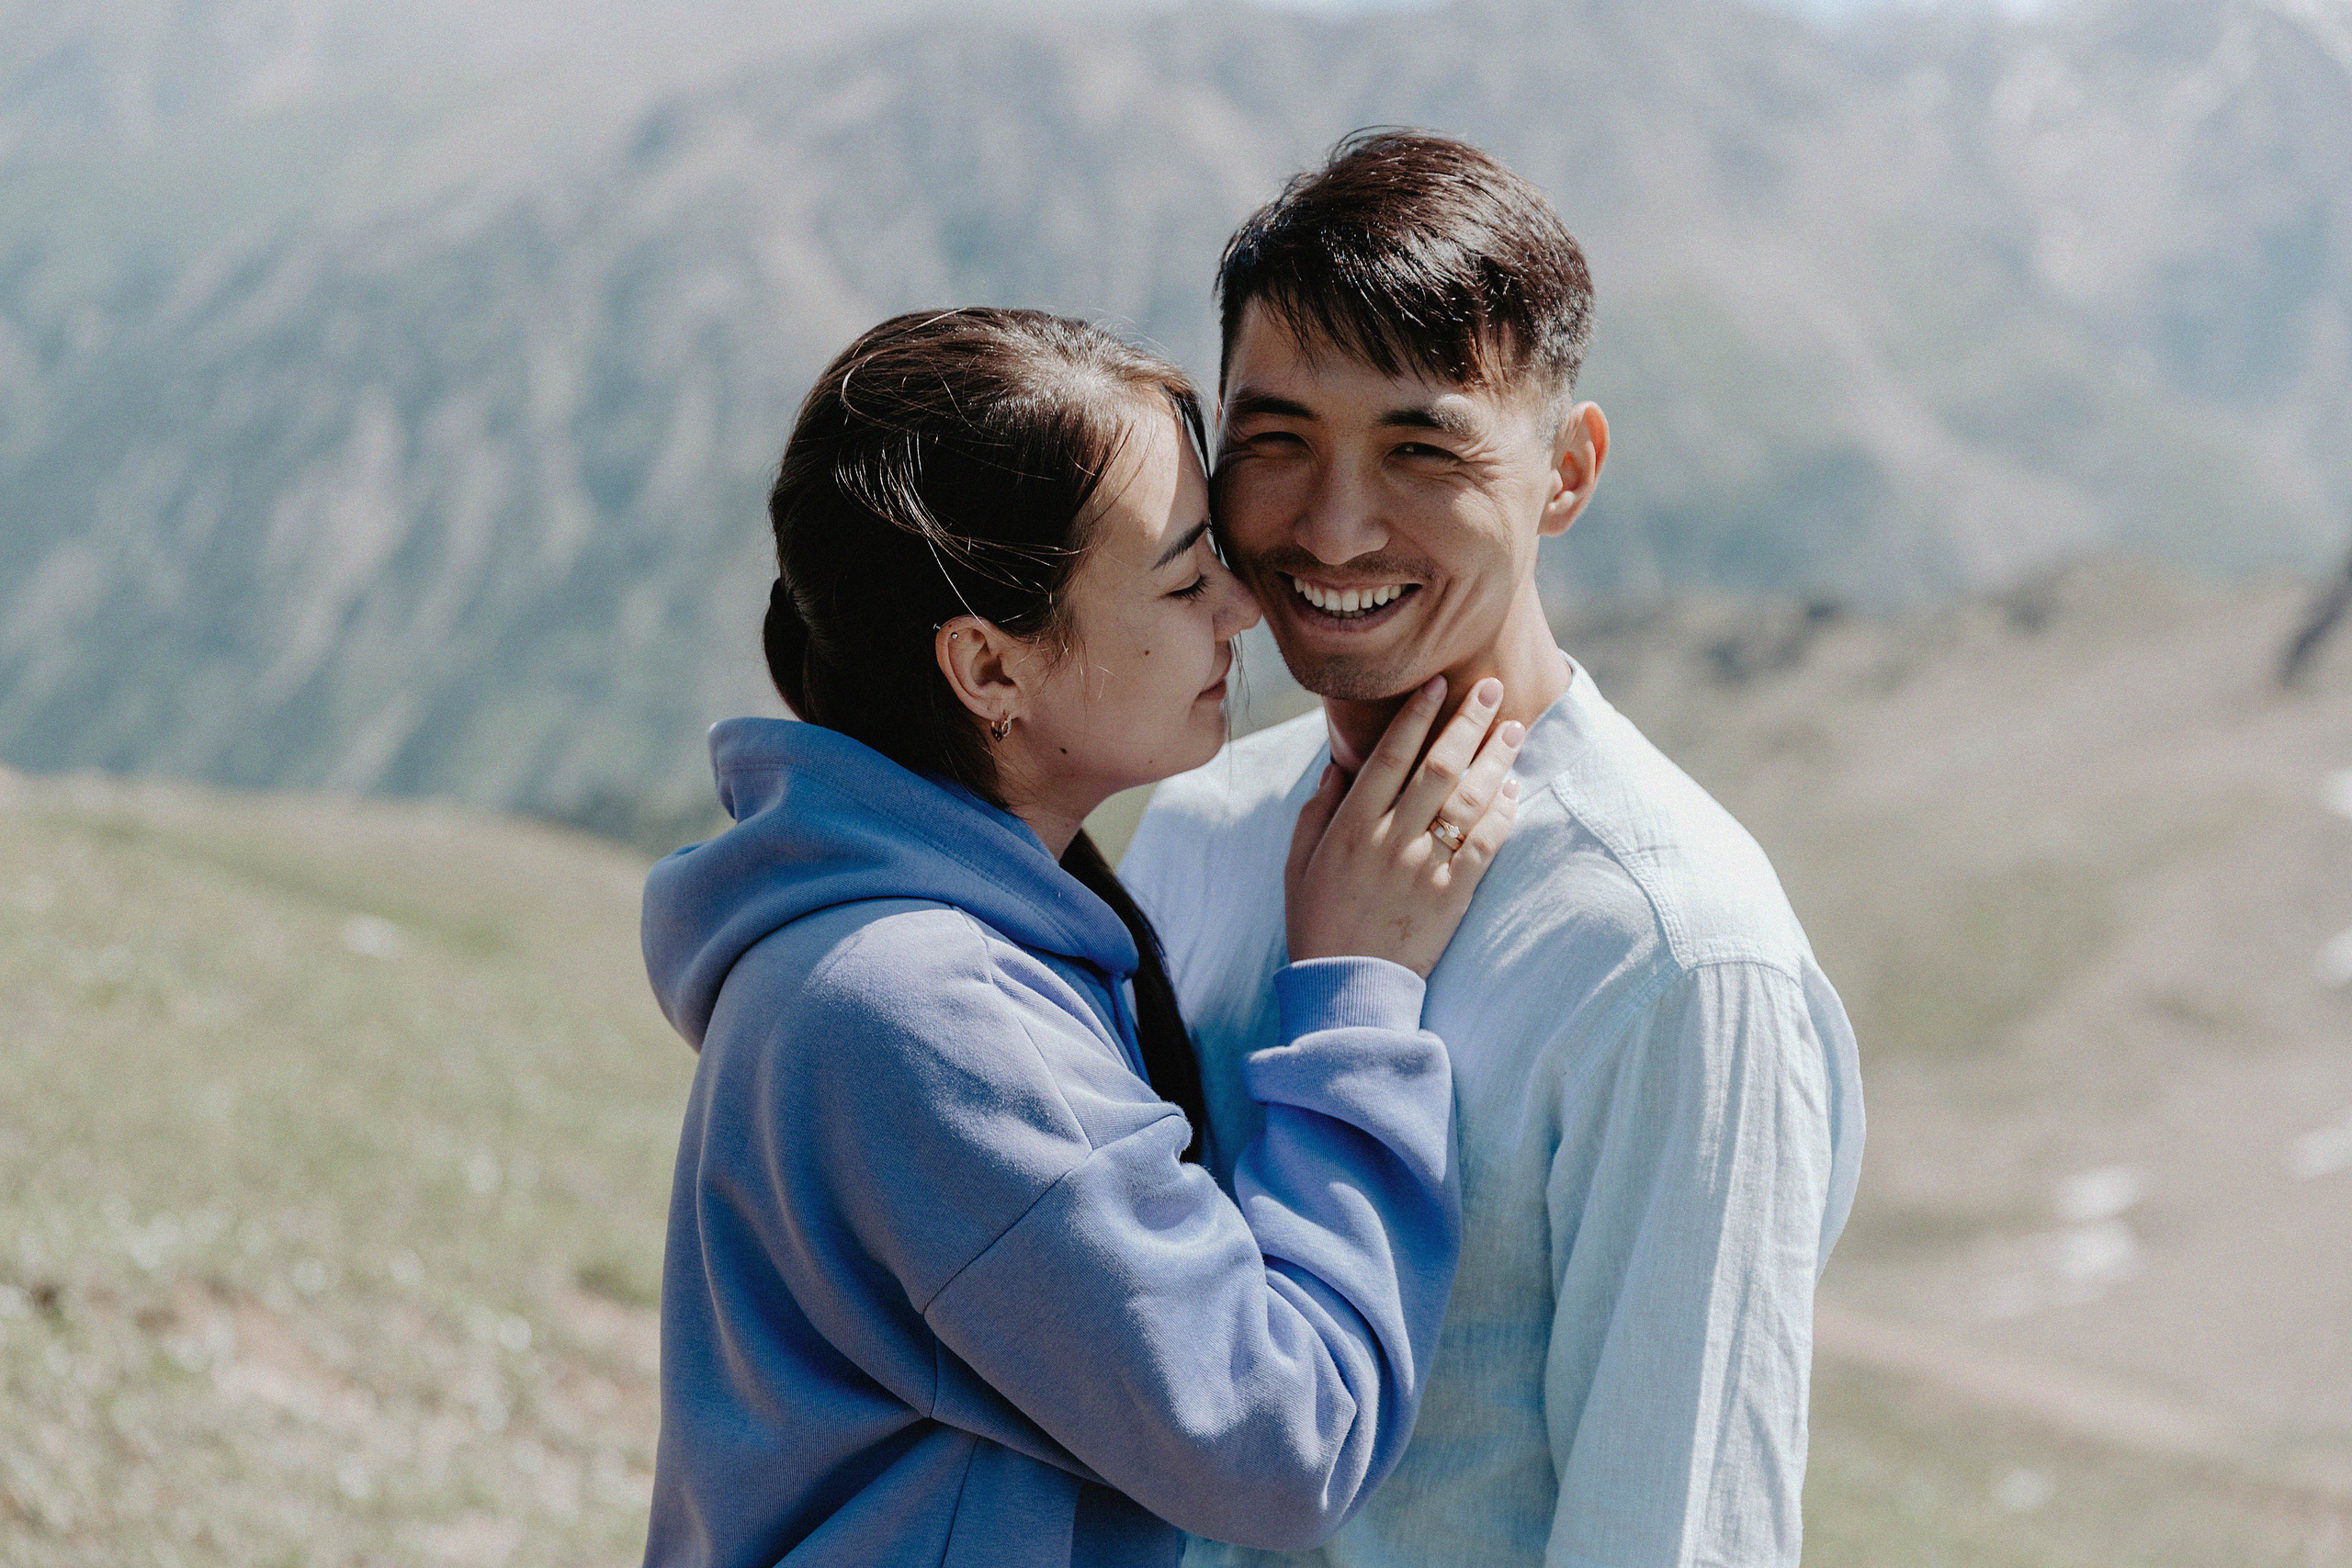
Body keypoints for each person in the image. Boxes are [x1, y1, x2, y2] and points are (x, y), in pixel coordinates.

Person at [638, 307, 1531, 1568]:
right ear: (989, 672)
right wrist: (1359, 992)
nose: (1241, 605)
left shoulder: (871, 950)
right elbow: (1285, 1442)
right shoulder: (932, 1011)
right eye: (1182, 578)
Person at [1122, 131, 1867, 1567]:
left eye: (1423, 447)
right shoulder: (1201, 826)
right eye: (1276, 442)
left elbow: (1677, 1529)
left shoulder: (1675, 956)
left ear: (1566, 472)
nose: (1333, 528)